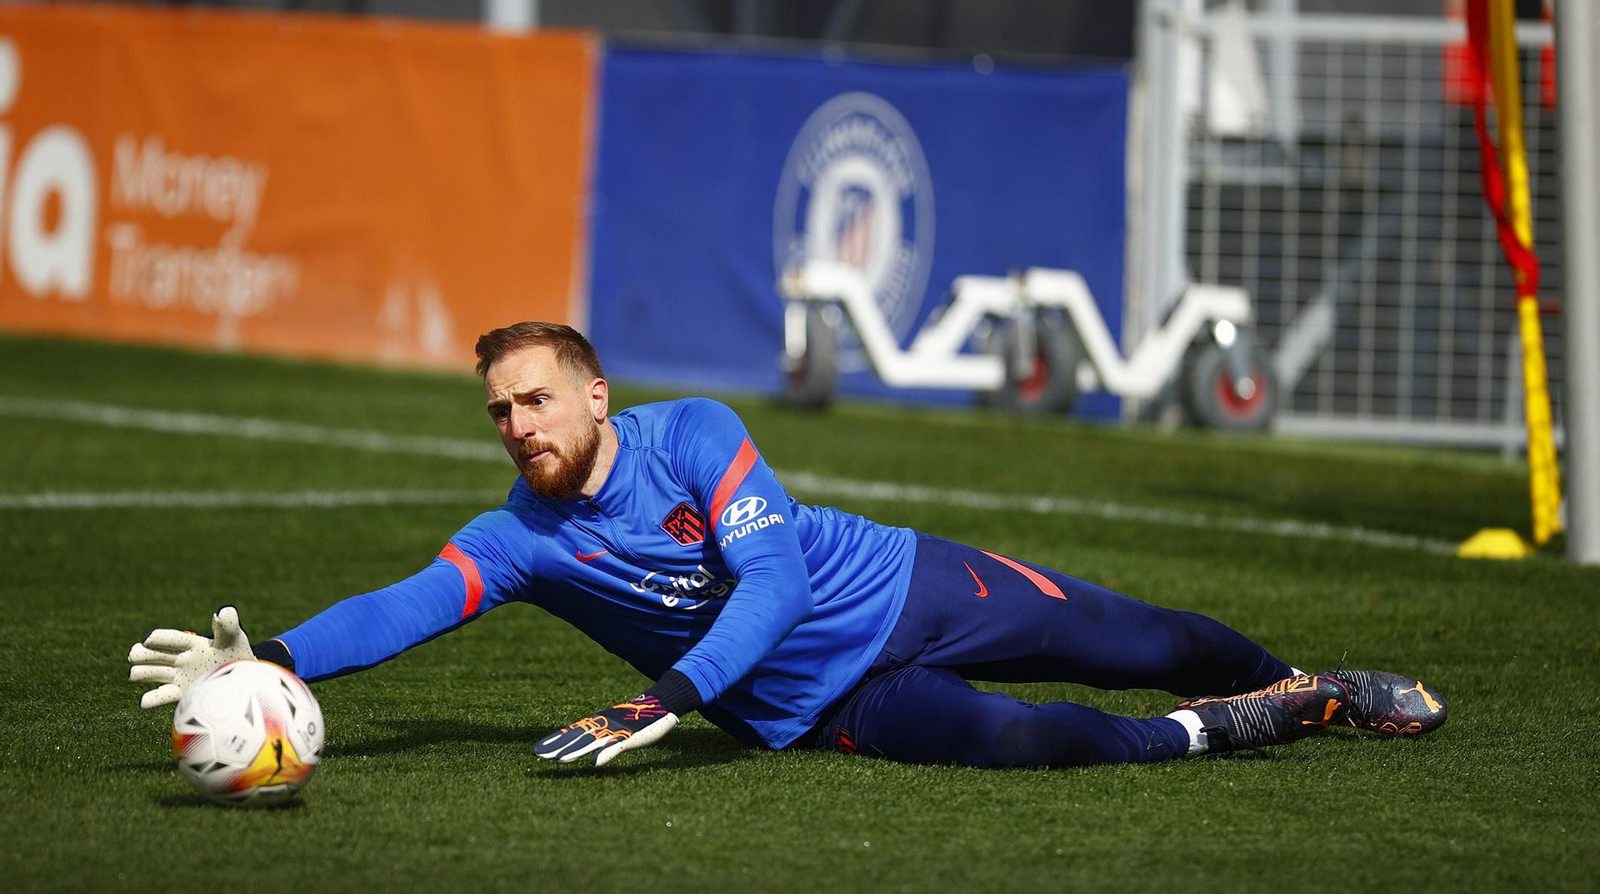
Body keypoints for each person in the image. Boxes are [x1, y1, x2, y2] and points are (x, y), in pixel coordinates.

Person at [128, 322, 1447, 769]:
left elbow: (777, 578)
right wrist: (275, 657)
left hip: (908, 584)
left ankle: (1299, 672)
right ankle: (1273, 718)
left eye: (535, 398)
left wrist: (670, 695)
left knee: (1144, 637)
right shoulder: (518, 538)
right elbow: (409, 603)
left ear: (596, 396)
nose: (516, 423)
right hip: (826, 706)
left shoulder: (693, 431)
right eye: (498, 410)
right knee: (1036, 742)